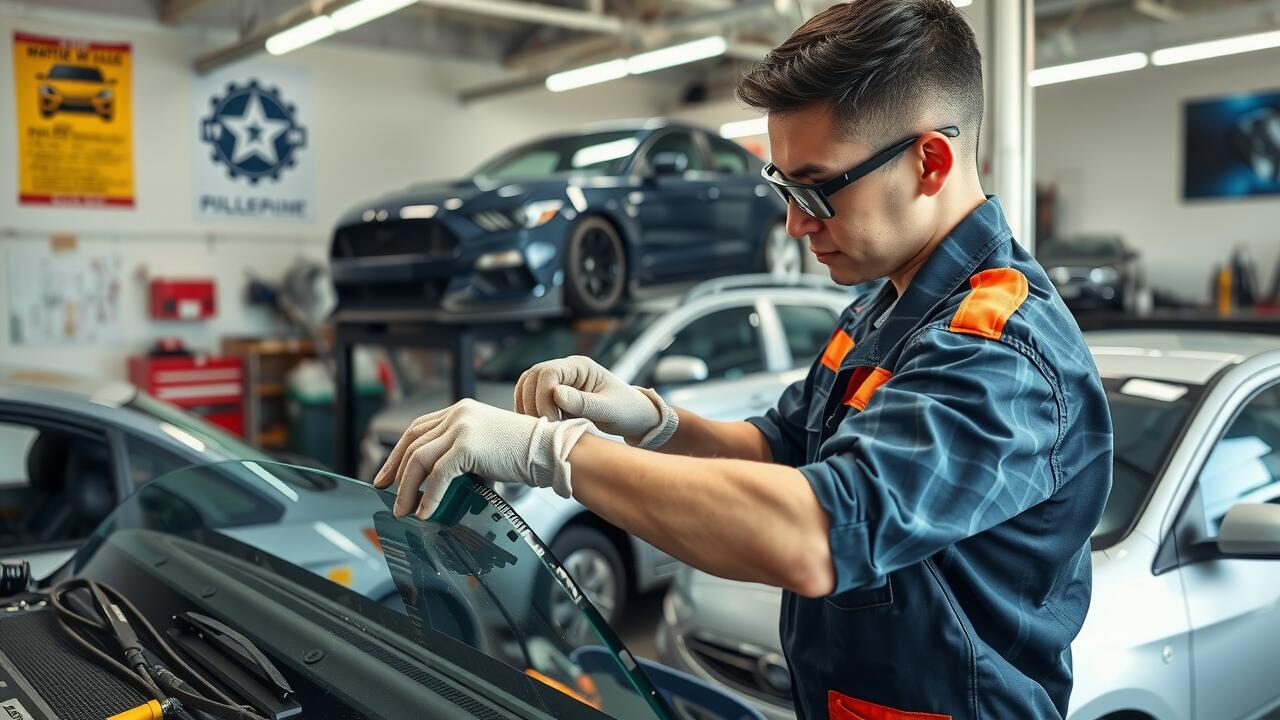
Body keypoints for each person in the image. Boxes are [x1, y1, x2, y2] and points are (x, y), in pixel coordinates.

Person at [375, 1, 1113, 717]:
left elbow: (815, 533)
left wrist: (552, 453)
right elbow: (780, 447)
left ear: (930, 162)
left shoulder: (1000, 351)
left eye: (816, 190)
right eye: (783, 188)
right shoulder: (884, 307)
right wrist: (651, 421)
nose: (793, 224)